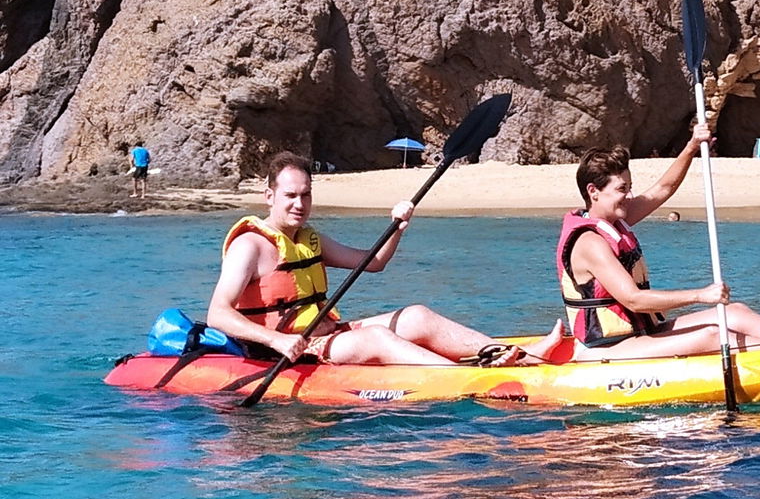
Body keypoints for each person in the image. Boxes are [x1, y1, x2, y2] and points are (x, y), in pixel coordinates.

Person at [208, 152, 563, 366]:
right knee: (377, 337)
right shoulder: (250, 246)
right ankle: (467, 377)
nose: (299, 204)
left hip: (325, 336)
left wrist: (397, 227)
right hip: (283, 351)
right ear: (269, 196)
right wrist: (278, 341)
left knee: (417, 317)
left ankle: (516, 354)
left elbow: (373, 261)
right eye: (289, 196)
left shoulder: (308, 238)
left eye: (306, 195)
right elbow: (218, 313)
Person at [555, 124, 760, 360]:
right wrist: (700, 295)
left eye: (630, 187)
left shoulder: (616, 218)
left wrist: (691, 147)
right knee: (712, 335)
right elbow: (634, 300)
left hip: (642, 334)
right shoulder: (590, 242)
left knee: (736, 313)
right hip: (607, 348)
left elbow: (663, 188)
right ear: (593, 191)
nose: (629, 195)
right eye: (622, 189)